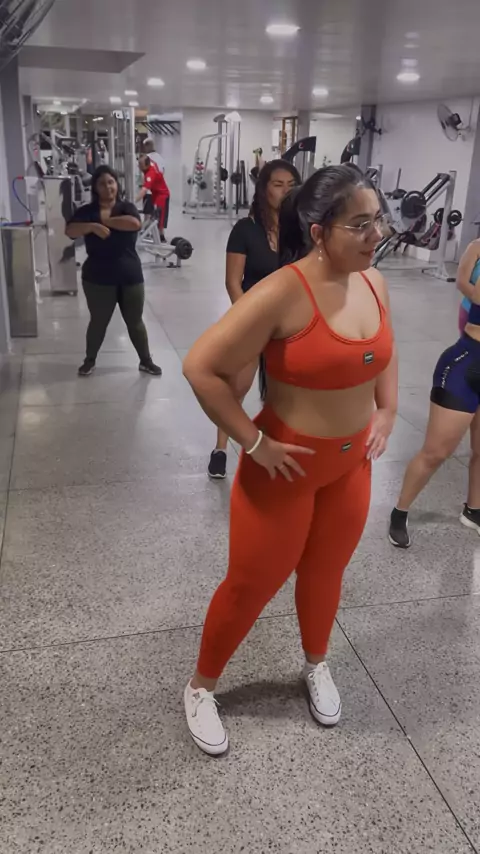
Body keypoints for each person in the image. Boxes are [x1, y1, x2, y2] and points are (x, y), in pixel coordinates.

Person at [182, 165, 396, 755]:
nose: (376, 234)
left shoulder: (374, 282)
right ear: (319, 231)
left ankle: (315, 663)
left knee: (326, 572)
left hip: (350, 468)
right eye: (360, 224)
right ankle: (200, 687)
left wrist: (387, 410)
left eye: (378, 219)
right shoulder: (282, 291)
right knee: (252, 583)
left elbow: (383, 349)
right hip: (286, 469)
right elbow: (201, 368)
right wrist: (253, 443)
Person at [208, 160, 302, 479]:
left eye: (291, 185)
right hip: (251, 322)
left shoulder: (300, 231)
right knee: (236, 389)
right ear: (264, 190)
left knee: (283, 393)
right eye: (278, 184)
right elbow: (233, 282)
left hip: (288, 324)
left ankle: (278, 447)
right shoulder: (245, 230)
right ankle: (220, 449)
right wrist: (252, 322)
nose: (285, 191)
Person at [389, 238, 480, 548]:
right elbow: (473, 291)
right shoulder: (477, 248)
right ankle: (400, 512)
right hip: (465, 363)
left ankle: (473, 510)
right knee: (436, 452)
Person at [65, 165, 162, 377]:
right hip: (97, 278)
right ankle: (89, 360)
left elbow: (134, 224)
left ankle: (146, 361)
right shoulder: (86, 211)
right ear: (95, 188)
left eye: (111, 182)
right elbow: (70, 230)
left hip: (130, 276)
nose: (108, 187)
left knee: (135, 322)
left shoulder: (126, 207)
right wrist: (91, 227)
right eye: (102, 183)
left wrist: (104, 222)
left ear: (117, 185)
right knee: (98, 322)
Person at [137, 154, 170, 243]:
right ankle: (156, 235)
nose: (139, 167)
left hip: (162, 194)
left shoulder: (150, 174)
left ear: (147, 165)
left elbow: (144, 190)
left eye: (141, 165)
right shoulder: (151, 162)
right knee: (153, 216)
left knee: (158, 216)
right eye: (139, 164)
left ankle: (161, 237)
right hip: (155, 193)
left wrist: (133, 200)